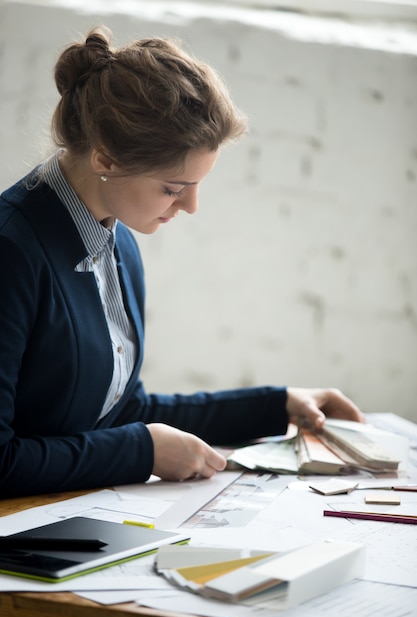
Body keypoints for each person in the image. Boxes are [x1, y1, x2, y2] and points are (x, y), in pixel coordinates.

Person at [0, 27, 364, 499]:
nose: (190, 206)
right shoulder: (11, 252)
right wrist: (142, 452)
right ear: (105, 158)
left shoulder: (116, 241)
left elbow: (119, 411)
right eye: (174, 188)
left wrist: (276, 407)